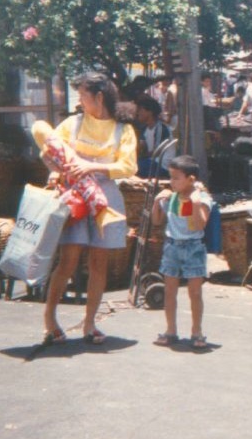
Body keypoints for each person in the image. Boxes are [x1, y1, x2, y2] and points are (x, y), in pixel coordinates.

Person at [42, 72, 137, 346]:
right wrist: (55, 173)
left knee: (99, 262)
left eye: (83, 96)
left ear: (98, 97)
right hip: (75, 198)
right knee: (68, 259)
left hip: (105, 200)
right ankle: (50, 319)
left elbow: (128, 166)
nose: (80, 101)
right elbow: (48, 152)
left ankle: (90, 322)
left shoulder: (123, 130)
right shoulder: (72, 123)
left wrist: (92, 166)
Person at [151, 155, 214, 351]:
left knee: (194, 293)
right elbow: (156, 221)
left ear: (191, 179)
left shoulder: (203, 199)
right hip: (172, 247)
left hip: (193, 247)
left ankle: (197, 331)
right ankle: (171, 330)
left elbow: (199, 225)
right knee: (170, 291)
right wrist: (156, 203)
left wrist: (195, 204)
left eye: (177, 178)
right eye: (171, 177)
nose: (172, 182)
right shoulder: (171, 198)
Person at [135, 96, 174, 178]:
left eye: (140, 110)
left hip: (162, 165)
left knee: (136, 166)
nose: (138, 113)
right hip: (149, 162)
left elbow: (157, 151)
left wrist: (141, 156)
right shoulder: (144, 129)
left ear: (150, 112)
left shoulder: (161, 128)